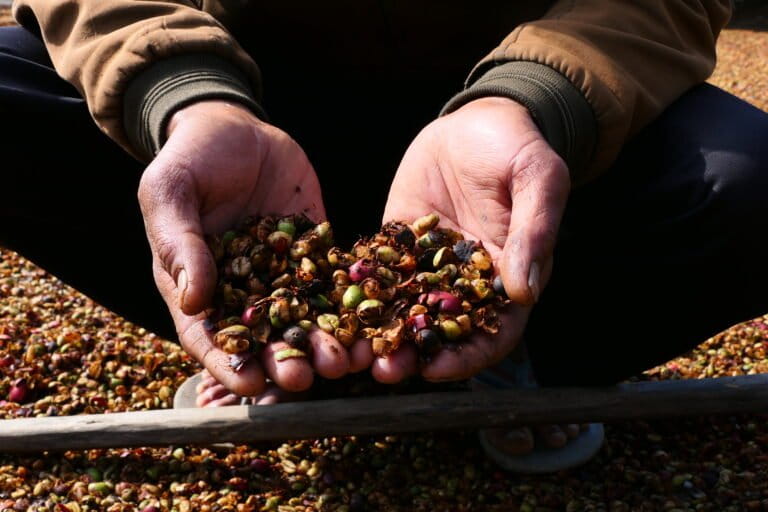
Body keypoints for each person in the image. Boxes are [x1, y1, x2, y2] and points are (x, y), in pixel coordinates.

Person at [2, 0, 767, 471]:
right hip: (249, 110)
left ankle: (534, 348)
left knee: (751, 180)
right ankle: (260, 334)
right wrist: (181, 93)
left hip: (509, 133)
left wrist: (537, 98)